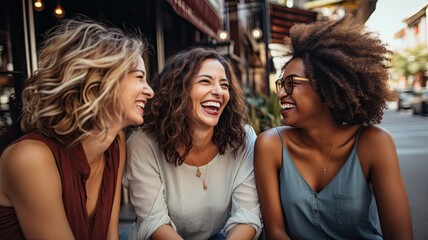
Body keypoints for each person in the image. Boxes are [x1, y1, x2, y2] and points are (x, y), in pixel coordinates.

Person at [254, 16, 413, 239]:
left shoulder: (374, 143)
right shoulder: (270, 145)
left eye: (291, 84)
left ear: (327, 88)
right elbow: (276, 232)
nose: (280, 93)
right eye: (282, 84)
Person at [0, 17, 154, 239]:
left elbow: (110, 236)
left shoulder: (116, 142)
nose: (150, 91)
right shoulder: (30, 158)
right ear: (100, 80)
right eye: (139, 77)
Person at [123, 47, 262, 240]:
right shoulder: (143, 142)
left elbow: (247, 215)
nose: (218, 92)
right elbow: (154, 222)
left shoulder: (242, 139)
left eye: (224, 85)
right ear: (178, 90)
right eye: (205, 81)